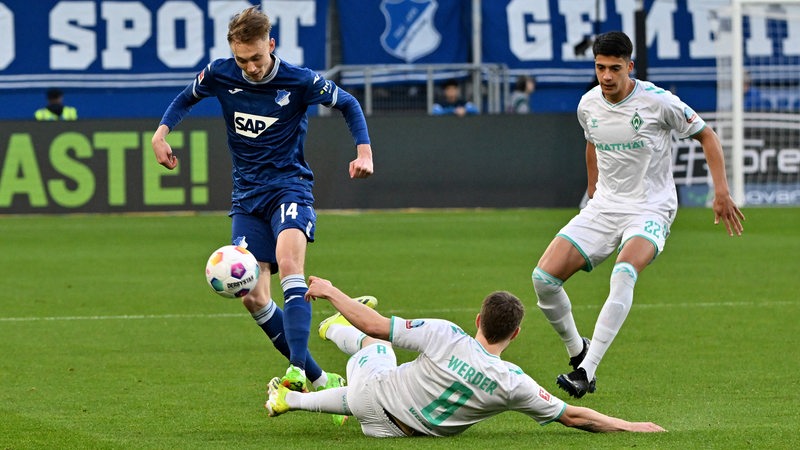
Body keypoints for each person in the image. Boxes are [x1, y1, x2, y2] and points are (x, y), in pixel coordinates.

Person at [150, 5, 374, 422]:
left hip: (289, 188)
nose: (250, 67)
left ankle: (293, 372)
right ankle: (322, 379)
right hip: (246, 199)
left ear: (271, 45)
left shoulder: (300, 79)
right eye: (242, 60)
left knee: (290, 264)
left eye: (256, 57)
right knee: (252, 295)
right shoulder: (220, 73)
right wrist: (161, 134)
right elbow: (186, 98)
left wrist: (364, 151)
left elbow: (348, 104)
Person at [531, 31, 745, 399]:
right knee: (543, 280)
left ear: (630, 66)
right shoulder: (588, 105)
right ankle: (577, 350)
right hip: (605, 207)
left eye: (615, 68)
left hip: (651, 207)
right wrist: (593, 185)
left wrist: (721, 192)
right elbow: (592, 142)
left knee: (624, 272)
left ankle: (586, 370)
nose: (607, 77)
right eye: (600, 68)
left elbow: (706, 135)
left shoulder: (658, 102)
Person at [264, 276, 666, 437]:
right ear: (516, 334)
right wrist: (631, 426)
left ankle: (329, 333)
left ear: (478, 319)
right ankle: (303, 392)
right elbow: (574, 415)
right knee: (371, 372)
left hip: (372, 402)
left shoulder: (445, 334)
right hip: (402, 434)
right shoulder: (513, 383)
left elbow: (374, 325)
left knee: (377, 347)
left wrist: (333, 291)